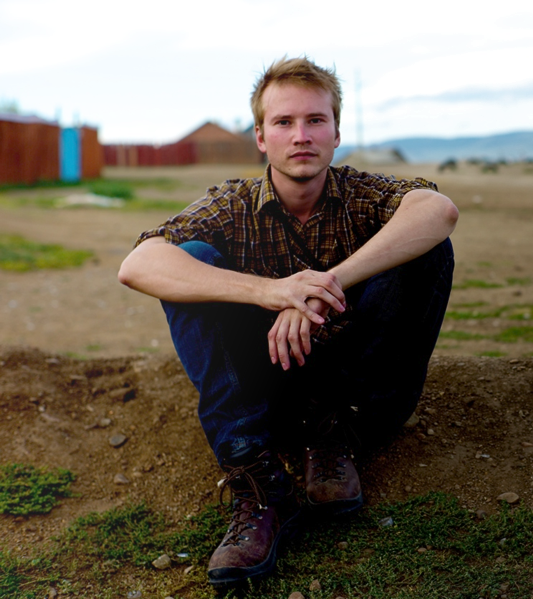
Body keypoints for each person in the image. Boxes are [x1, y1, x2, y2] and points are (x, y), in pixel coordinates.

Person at [117, 56, 458, 588]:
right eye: (284, 122)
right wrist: (273, 293)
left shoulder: (365, 195)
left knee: (425, 247)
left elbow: (438, 211)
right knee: (192, 257)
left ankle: (335, 438)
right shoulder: (231, 203)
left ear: (337, 132)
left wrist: (325, 287)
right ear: (260, 136)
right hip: (267, 390)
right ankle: (259, 482)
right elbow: (138, 264)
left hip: (359, 394)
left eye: (315, 120)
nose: (301, 136)